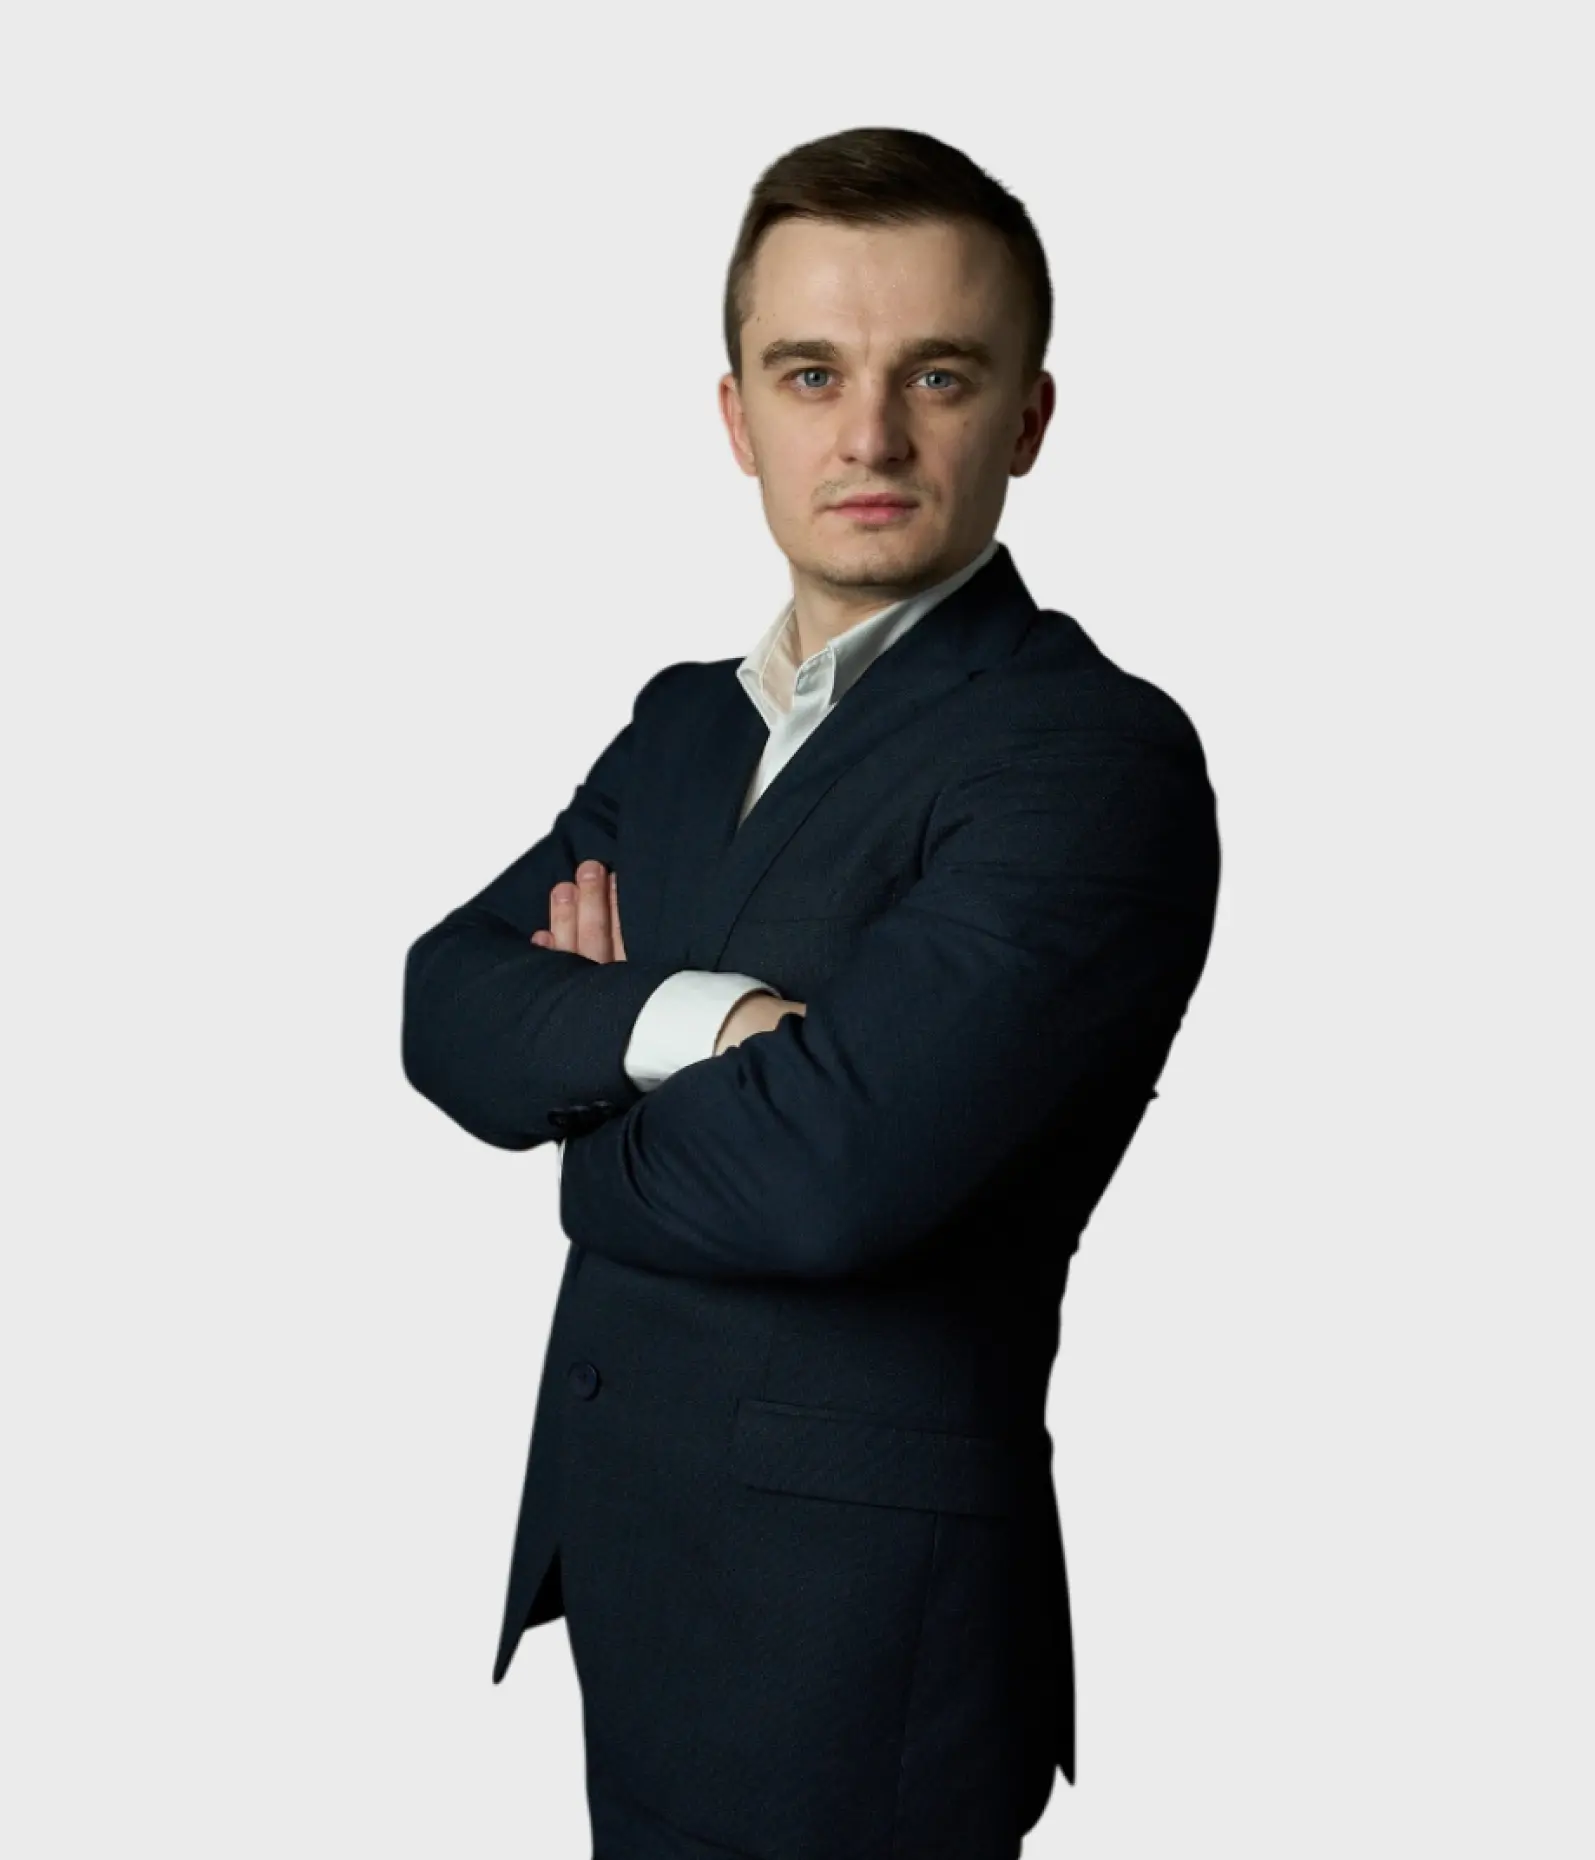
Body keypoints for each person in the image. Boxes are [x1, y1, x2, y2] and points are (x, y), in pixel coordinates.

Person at [403, 124, 1221, 1860]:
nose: (867, 436)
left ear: (1026, 418)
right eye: (810, 373)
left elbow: (833, 1176)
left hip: (861, 1643)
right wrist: (706, 1025)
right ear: (736, 418)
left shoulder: (1086, 756)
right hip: (638, 1570)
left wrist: (582, 1119)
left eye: (937, 373)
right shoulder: (681, 726)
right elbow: (442, 1005)